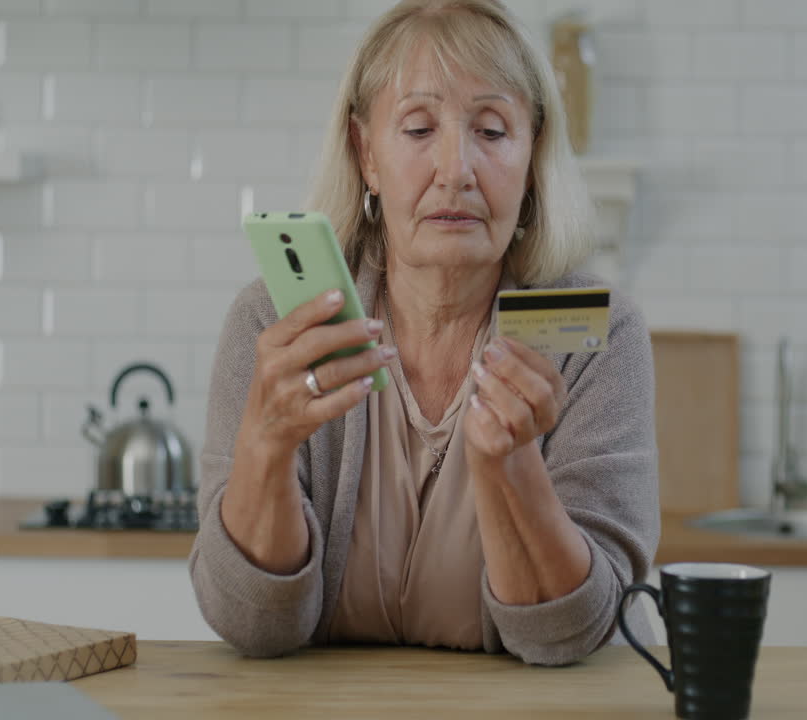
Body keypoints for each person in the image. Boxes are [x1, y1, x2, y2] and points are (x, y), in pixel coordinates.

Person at [189, 0, 659, 667]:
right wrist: (265, 443)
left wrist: (513, 465)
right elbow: (249, 625)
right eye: (417, 128)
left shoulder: (598, 331)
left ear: (533, 158)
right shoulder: (277, 325)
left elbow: (573, 635)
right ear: (366, 153)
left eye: (493, 131)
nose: (456, 169)